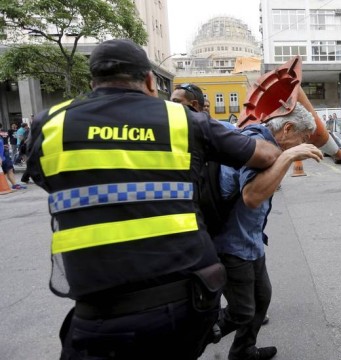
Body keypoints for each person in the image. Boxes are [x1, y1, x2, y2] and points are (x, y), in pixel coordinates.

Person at [25, 39, 281, 360]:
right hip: (183, 301)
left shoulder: (51, 123)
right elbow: (263, 154)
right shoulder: (182, 121)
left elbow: (46, 177)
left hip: (99, 311)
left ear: (91, 81)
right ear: (150, 80)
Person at [212, 104, 323, 360]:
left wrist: (287, 155)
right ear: (287, 128)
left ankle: (244, 351)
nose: (304, 144)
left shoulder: (270, 144)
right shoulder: (255, 143)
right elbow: (251, 196)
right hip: (231, 245)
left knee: (262, 298)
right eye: (303, 138)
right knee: (241, 311)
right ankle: (190, 339)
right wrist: (288, 156)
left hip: (250, 241)